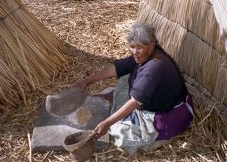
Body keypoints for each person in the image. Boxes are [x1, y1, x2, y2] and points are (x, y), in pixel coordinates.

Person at [74, 22, 195, 154]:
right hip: (151, 98)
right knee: (125, 79)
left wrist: (107, 123)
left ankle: (143, 133)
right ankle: (112, 98)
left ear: (152, 44)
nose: (135, 52)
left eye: (140, 48)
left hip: (164, 116)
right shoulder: (144, 55)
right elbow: (116, 69)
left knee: (118, 134)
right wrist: (87, 81)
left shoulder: (154, 66)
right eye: (132, 47)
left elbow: (135, 102)